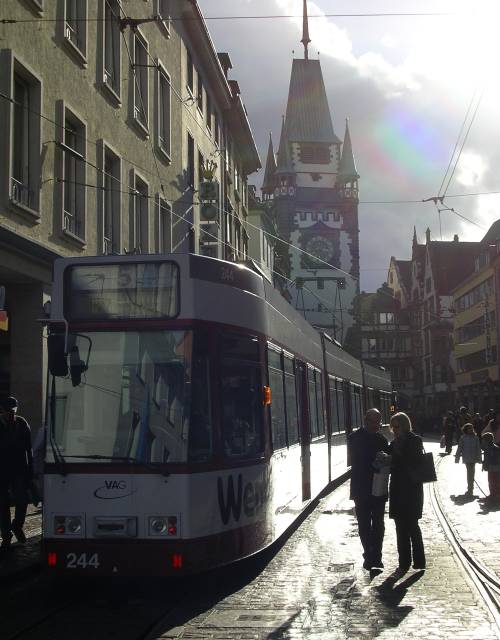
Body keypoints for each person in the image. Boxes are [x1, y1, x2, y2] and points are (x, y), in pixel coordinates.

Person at [348, 408, 390, 571]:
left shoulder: (382, 440)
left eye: (378, 421)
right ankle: (368, 553)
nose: (376, 425)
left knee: (378, 523)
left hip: (378, 487)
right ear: (365, 421)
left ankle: (376, 556)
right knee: (364, 523)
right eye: (372, 421)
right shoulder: (355, 438)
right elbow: (357, 461)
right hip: (361, 487)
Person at [388, 412, 426, 575]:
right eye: (393, 427)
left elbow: (412, 461)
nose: (395, 430)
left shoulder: (415, 440)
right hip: (397, 488)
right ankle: (404, 562)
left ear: (404, 425)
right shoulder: (393, 443)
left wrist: (396, 454)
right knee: (399, 527)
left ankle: (419, 561)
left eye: (397, 426)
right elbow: (392, 464)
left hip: (412, 489)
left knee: (412, 525)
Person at [0, 397, 33, 550]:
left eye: (13, 411)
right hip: (2, 471)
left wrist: (30, 471)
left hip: (19, 469)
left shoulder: (22, 423)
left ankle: (17, 526)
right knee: (2, 505)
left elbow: (29, 449)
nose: (11, 414)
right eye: (8, 411)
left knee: (22, 500)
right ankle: (6, 535)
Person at [455, 422, 482, 496]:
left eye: (471, 428)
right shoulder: (463, 438)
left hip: (473, 458)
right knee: (470, 473)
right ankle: (470, 488)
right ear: (466, 429)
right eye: (469, 428)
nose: (470, 430)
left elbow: (478, 448)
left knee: (471, 473)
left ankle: (470, 488)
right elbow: (459, 448)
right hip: (466, 458)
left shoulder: (475, 437)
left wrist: (479, 459)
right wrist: (457, 458)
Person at [481, 432, 500, 503]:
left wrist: (485, 464)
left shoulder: (492, 448)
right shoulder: (490, 447)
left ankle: (494, 495)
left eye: (484, 440)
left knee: (493, 481)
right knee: (493, 481)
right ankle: (494, 494)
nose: (483, 442)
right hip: (493, 467)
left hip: (494, 467)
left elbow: (490, 458)